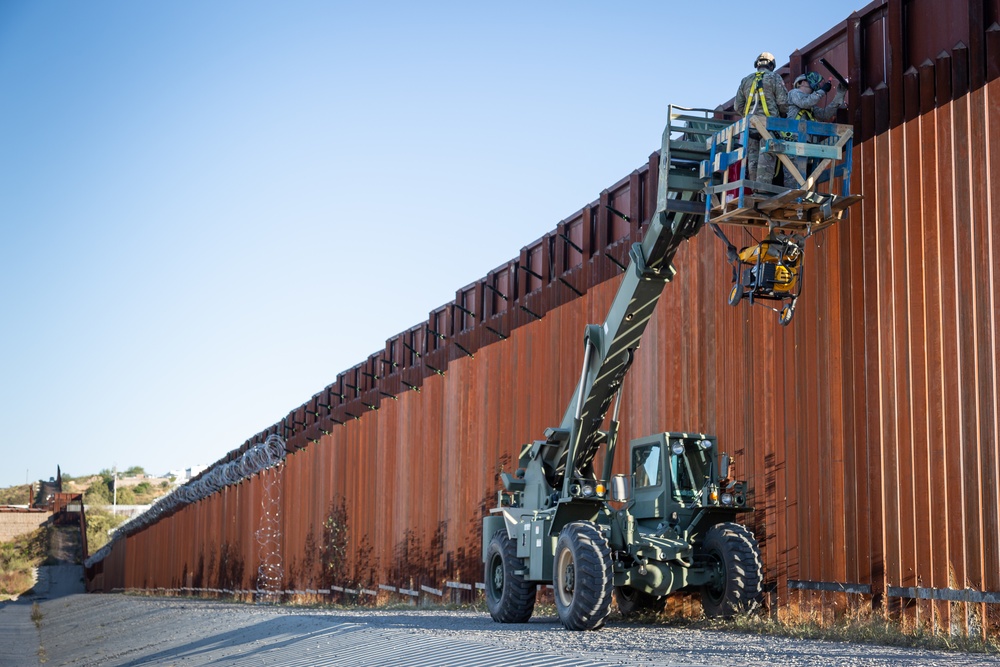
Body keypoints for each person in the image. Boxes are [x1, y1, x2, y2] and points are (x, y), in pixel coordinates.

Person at [734, 52, 788, 187]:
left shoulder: (746, 80)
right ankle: (762, 190)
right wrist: (782, 115)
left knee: (752, 159)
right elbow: (783, 103)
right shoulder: (774, 77)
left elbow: (737, 106)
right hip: (769, 125)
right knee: (766, 156)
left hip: (750, 126)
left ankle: (754, 190)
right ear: (771, 65)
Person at [784, 72, 847, 187]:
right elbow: (805, 102)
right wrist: (822, 91)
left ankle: (799, 199)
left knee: (804, 179)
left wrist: (839, 95)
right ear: (802, 82)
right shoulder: (794, 94)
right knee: (793, 180)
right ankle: (793, 200)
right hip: (793, 142)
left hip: (806, 145)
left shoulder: (810, 106)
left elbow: (825, 114)